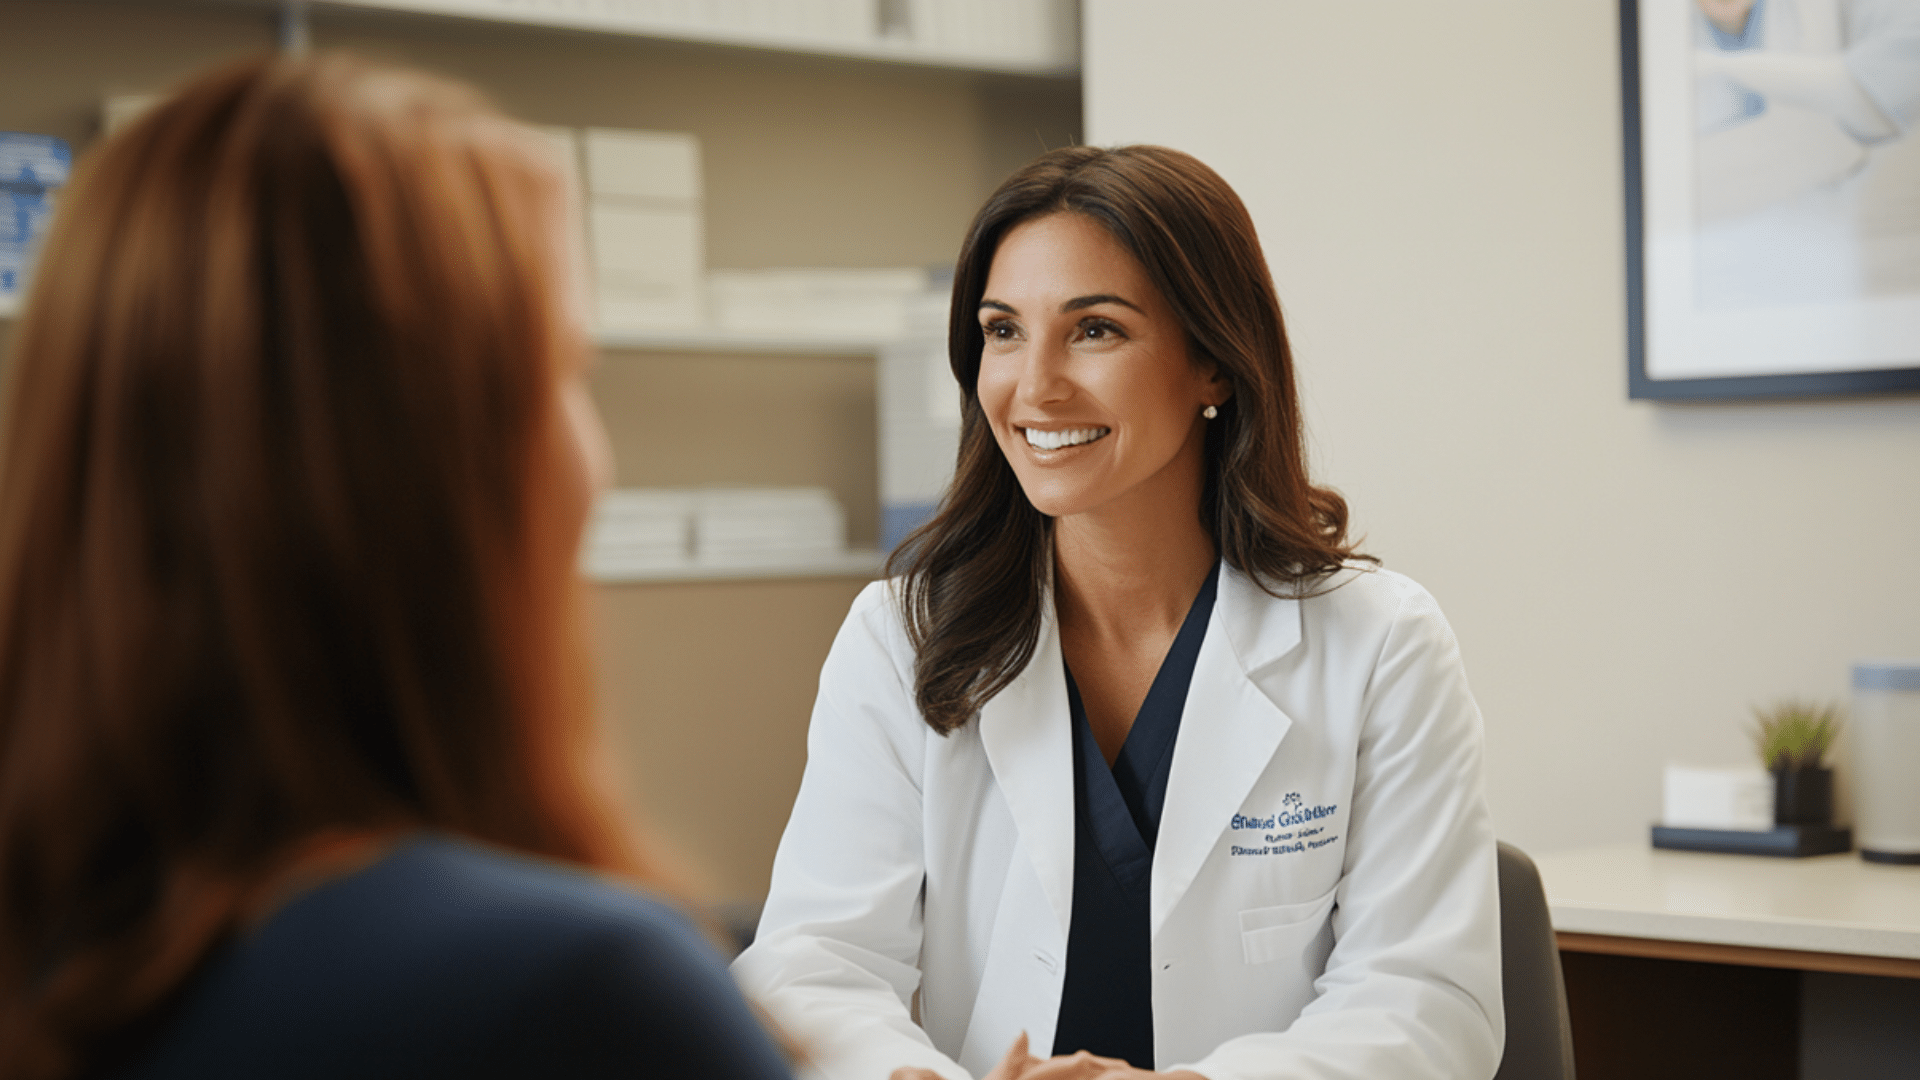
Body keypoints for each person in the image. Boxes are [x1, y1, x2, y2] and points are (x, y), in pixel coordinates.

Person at [0, 55, 792, 1080]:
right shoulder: (578, 996)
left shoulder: (68, 944)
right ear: (429, 467)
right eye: (564, 370)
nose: (597, 459)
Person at [732, 146, 1503, 1080]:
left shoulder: (1379, 646)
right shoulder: (901, 639)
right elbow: (812, 969)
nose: (1036, 386)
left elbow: (1425, 1003)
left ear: (1214, 363)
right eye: (1004, 331)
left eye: (1094, 331)